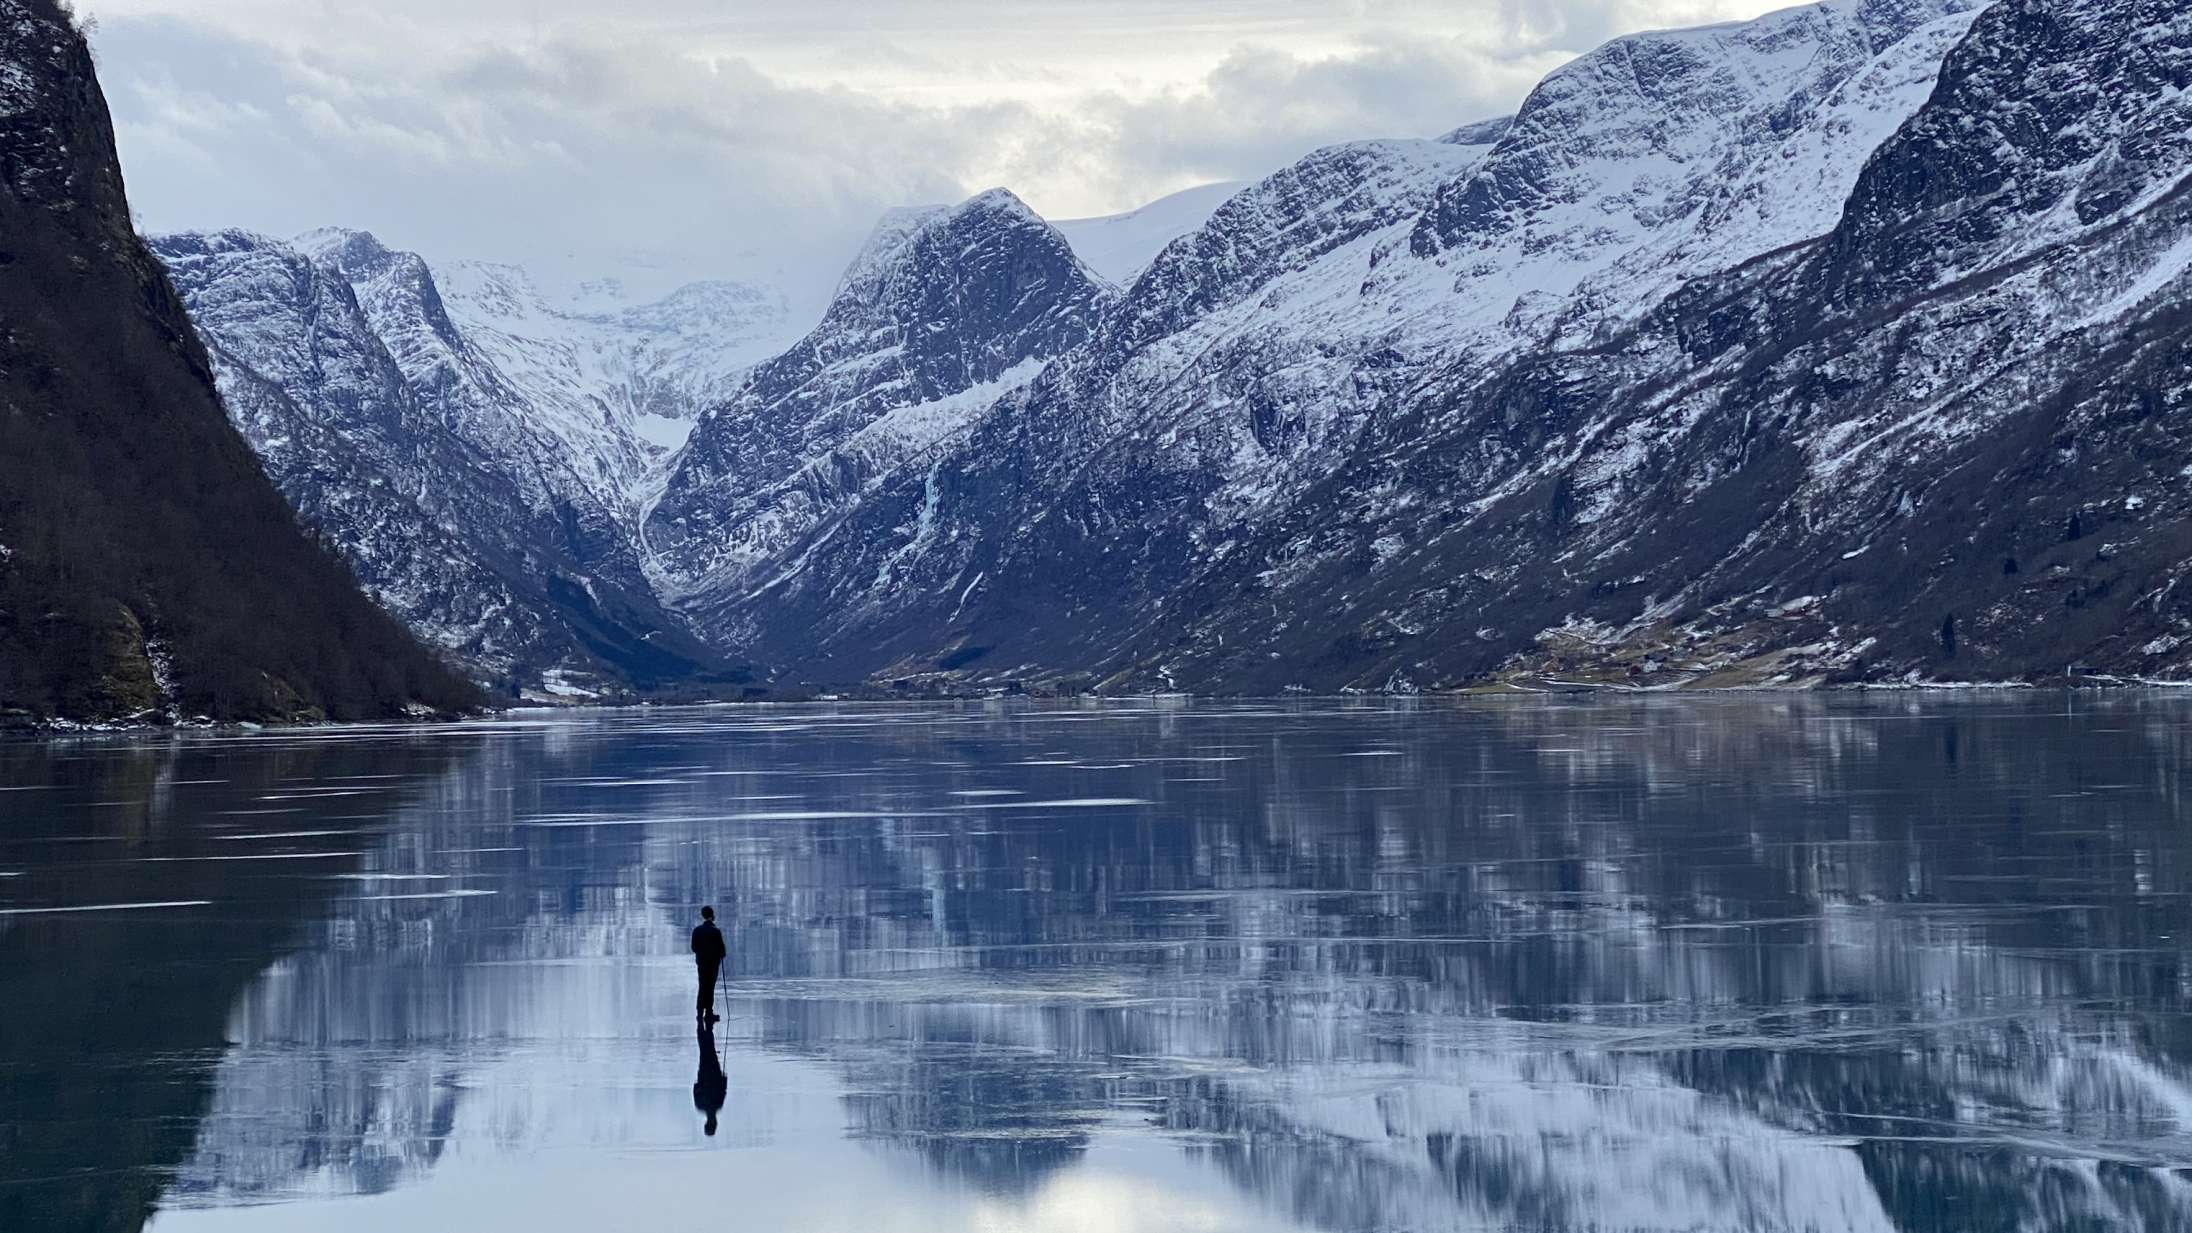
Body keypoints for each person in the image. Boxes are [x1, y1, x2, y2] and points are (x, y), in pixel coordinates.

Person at [691, 905, 726, 1021]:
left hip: (701, 964)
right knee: (710, 987)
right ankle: (709, 1013)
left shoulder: (697, 931)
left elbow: (694, 948)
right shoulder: (716, 931)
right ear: (712, 915)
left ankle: (699, 1011)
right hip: (713, 965)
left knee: (702, 986)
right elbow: (722, 950)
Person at [693, 1022, 728, 1136]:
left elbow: (723, 1087)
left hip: (710, 1074)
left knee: (707, 1051)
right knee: (707, 1051)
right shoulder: (702, 1105)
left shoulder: (717, 1104)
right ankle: (703, 1026)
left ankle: (704, 1025)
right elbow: (695, 1089)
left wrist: (723, 1079)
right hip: (708, 1073)